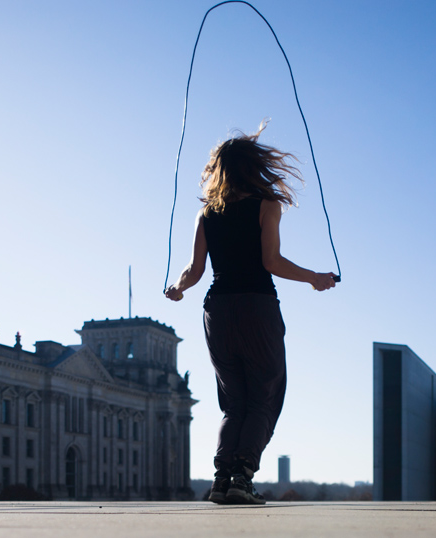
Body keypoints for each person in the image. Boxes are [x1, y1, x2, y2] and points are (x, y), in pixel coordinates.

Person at [165, 122, 336, 504]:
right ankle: (242, 478)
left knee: (233, 402)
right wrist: (314, 278)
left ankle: (222, 480)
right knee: (264, 396)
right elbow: (271, 261)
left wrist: (177, 288)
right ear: (253, 168)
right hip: (257, 307)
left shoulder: (206, 214)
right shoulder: (267, 206)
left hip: (218, 310)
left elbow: (194, 272)